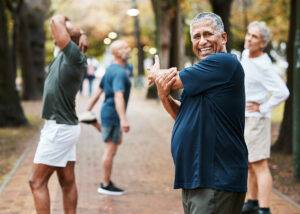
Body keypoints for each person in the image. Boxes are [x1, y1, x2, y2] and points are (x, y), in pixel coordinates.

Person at [148, 12, 248, 214]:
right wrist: (163, 95)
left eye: (208, 34)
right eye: (196, 36)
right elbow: (182, 114)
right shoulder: (204, 74)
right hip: (196, 178)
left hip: (216, 178)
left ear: (223, 37)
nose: (202, 41)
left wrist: (155, 74)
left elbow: (171, 80)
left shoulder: (224, 63)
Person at [29, 14, 88, 214]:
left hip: (59, 128)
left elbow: (55, 20)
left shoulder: (73, 56)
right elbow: (60, 28)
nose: (56, 30)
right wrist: (82, 33)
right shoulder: (65, 53)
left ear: (67, 37)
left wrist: (65, 18)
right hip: (64, 126)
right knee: (67, 181)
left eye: (64, 29)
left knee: (36, 182)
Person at [241, 21, 289, 214]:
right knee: (250, 163)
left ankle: (264, 208)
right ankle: (252, 201)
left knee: (260, 164)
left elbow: (282, 92)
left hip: (256, 120)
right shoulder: (245, 55)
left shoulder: (264, 65)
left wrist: (263, 108)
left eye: (254, 36)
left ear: (263, 43)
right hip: (244, 117)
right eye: (248, 34)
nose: (248, 38)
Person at [87, 40, 131, 195]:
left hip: (109, 113)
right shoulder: (118, 72)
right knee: (110, 149)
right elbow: (118, 96)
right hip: (113, 114)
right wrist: (123, 119)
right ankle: (105, 185)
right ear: (117, 53)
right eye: (125, 47)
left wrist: (88, 109)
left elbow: (99, 91)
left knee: (117, 141)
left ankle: (94, 123)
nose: (128, 48)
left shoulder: (112, 69)